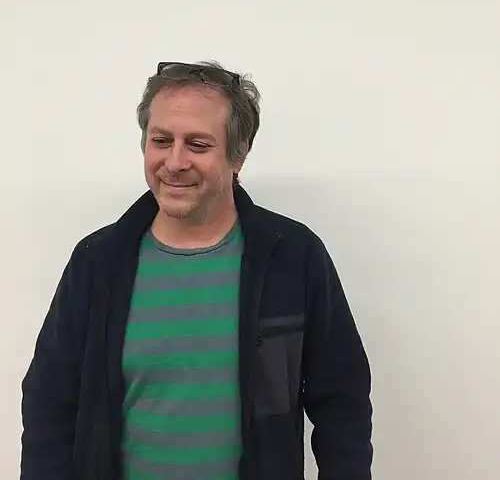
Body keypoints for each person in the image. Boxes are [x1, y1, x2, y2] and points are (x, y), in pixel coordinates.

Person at [21, 61, 373, 480]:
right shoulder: (97, 262)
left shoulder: (294, 257)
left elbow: (342, 401)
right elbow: (49, 403)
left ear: (238, 155)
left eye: (198, 145)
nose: (174, 161)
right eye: (161, 140)